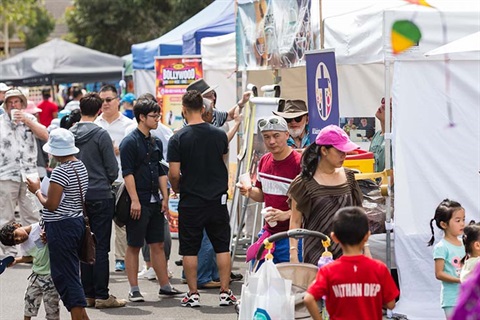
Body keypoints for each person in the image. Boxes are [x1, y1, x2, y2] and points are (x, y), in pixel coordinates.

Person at [168, 90, 236, 307]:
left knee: (189, 248)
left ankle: (193, 293)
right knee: (222, 246)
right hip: (217, 199)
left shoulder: (178, 138)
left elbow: (173, 173)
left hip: (191, 200)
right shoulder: (218, 134)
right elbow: (222, 158)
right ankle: (225, 292)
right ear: (205, 109)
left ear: (184, 110)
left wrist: (177, 188)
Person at [120, 99, 181, 302]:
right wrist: (135, 200)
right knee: (134, 245)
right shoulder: (129, 142)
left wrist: (165, 196)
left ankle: (165, 286)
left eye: (158, 115)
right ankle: (134, 289)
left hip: (155, 200)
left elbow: (161, 171)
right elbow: (127, 174)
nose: (157, 119)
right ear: (142, 117)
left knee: (158, 244)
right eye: (154, 116)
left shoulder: (156, 141)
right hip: (139, 200)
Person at [25, 128, 89, 320]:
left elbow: (51, 205)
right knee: (70, 274)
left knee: (66, 278)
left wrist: (36, 190)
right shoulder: (80, 166)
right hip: (75, 222)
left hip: (62, 227)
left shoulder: (61, 172)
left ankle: (79, 315)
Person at [70, 93, 126, 309]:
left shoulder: (70, 133)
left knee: (84, 244)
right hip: (101, 194)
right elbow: (113, 169)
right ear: (99, 110)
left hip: (77, 196)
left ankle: (87, 294)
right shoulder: (101, 134)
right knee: (101, 246)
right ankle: (102, 295)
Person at [303, 206, 399, 320]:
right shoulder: (379, 268)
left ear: (334, 237)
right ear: (367, 236)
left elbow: (308, 299)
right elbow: (391, 304)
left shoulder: (328, 271)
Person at [288, 125, 363, 264]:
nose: (344, 155)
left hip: (348, 254)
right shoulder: (304, 182)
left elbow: (359, 217)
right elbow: (295, 221)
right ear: (324, 150)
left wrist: (366, 251)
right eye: (339, 151)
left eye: (345, 151)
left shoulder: (349, 177)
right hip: (316, 255)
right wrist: (293, 255)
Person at [238, 115, 302, 264]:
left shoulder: (299, 164)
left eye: (276, 136)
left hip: (293, 237)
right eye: (266, 137)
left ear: (287, 135)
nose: (271, 141)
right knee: (260, 280)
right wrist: (248, 191)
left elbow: (312, 204)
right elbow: (262, 195)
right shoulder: (264, 161)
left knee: (290, 283)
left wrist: (286, 214)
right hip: (268, 232)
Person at [0, 89, 48, 256]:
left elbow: (45, 135)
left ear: (23, 103)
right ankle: (9, 252)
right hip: (5, 173)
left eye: (17, 102)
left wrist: (27, 120)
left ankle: (33, 252)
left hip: (29, 173)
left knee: (32, 214)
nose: (14, 105)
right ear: (5, 105)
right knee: (5, 215)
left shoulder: (31, 119)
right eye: (10, 102)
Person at [95, 85, 134, 273]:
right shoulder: (95, 124)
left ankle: (121, 258)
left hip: (122, 178)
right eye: (101, 100)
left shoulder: (128, 125)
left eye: (108, 100)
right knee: (99, 224)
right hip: (100, 181)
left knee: (122, 222)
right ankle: (97, 257)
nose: (105, 104)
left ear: (118, 100)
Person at [0, 222, 60, 320]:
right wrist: (16, 261)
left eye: (16, 235)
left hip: (51, 276)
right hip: (36, 276)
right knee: (29, 303)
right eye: (16, 242)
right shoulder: (24, 245)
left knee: (52, 308)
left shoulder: (39, 227)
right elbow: (28, 257)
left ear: (16, 225)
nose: (19, 239)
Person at [427, 199, 466, 318]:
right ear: (444, 224)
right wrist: (460, 280)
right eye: (458, 220)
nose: (462, 224)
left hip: (468, 297)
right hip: (452, 300)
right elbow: (439, 273)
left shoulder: (465, 243)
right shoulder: (442, 247)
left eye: (463, 219)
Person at [369, 97, 392, 172]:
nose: (382, 106)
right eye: (383, 102)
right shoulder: (377, 135)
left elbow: (393, 171)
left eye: (389, 107)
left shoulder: (395, 138)